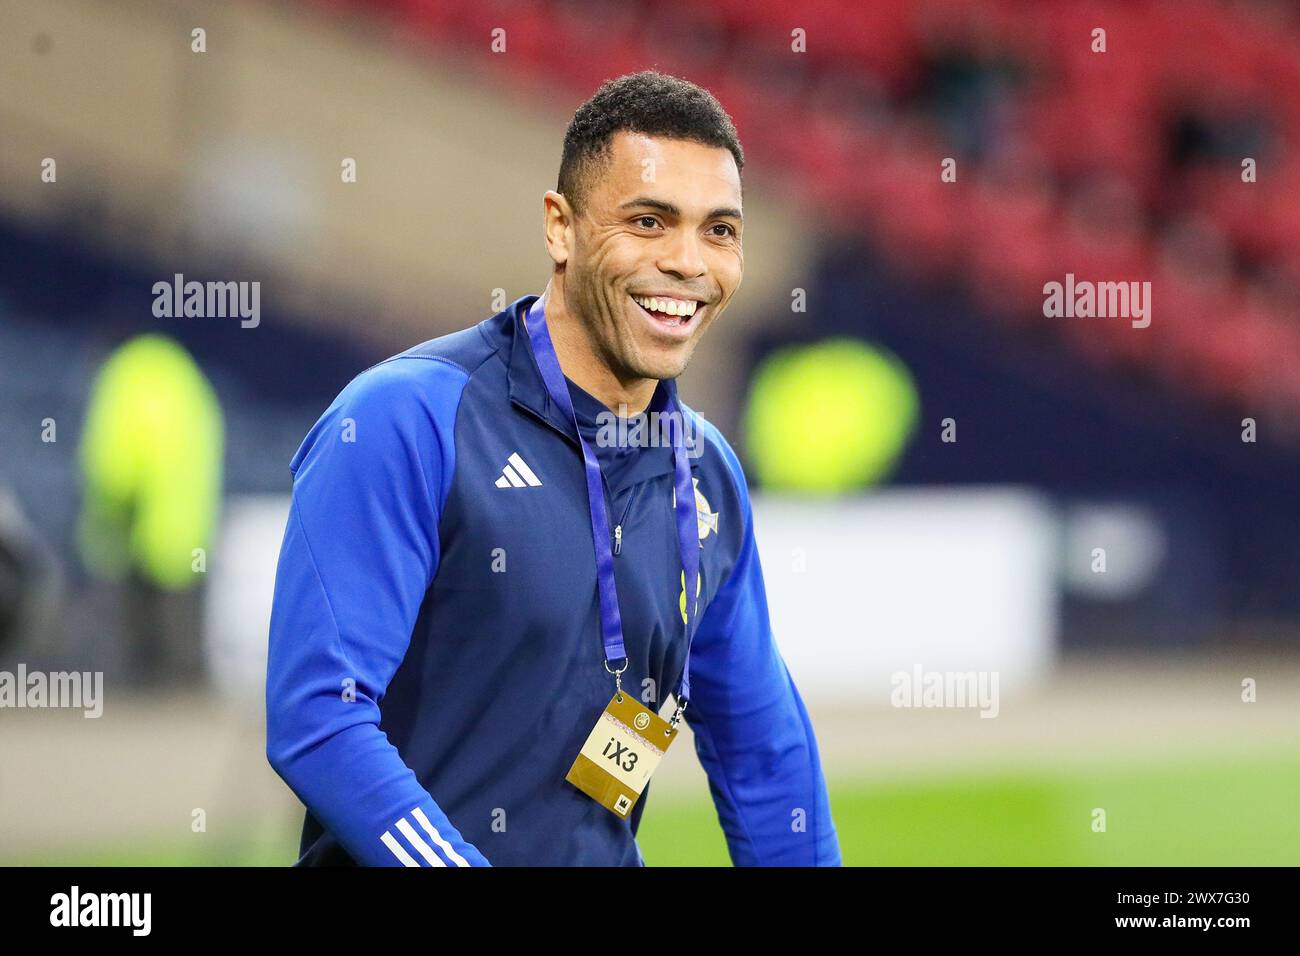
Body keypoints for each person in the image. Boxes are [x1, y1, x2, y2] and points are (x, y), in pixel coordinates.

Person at [266, 70, 840, 866]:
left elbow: (763, 752)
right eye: (648, 221)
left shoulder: (704, 476)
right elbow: (319, 722)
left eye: (720, 231)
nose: (688, 262)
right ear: (560, 228)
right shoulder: (406, 419)